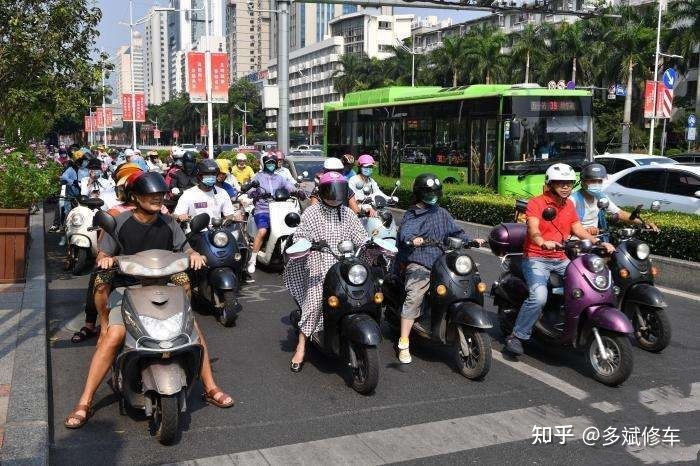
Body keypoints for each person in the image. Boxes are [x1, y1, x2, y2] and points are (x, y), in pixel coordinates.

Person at [64, 172, 234, 429]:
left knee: (194, 332)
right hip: (128, 290)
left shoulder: (169, 223)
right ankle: (85, 401)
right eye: (150, 195)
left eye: (160, 195)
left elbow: (185, 249)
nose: (156, 199)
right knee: (113, 336)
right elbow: (103, 253)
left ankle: (210, 387)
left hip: (163, 286)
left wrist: (194, 254)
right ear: (135, 197)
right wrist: (106, 259)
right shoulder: (118, 222)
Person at [504, 163, 616, 356]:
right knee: (539, 297)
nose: (565, 187)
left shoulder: (569, 204)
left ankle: (572, 322)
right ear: (550, 183)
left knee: (586, 284)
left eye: (569, 183)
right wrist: (542, 242)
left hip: (561, 258)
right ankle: (517, 335)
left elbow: (577, 229)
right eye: (560, 183)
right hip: (536, 258)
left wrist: (598, 242)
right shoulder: (537, 203)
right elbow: (533, 228)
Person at [394, 173, 486, 364]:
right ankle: (404, 341)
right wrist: (413, 239)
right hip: (419, 261)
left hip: (442, 260)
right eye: (429, 192)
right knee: (415, 295)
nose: (432, 196)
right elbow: (405, 233)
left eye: (435, 192)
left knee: (468, 280)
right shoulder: (412, 213)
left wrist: (472, 240)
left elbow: (457, 231)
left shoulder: (441, 212)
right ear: (420, 193)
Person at [284, 172, 369, 372]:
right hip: (318, 264)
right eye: (330, 191)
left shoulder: (347, 213)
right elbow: (300, 236)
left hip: (345, 265)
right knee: (314, 303)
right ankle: (301, 346)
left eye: (338, 191)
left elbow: (360, 235)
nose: (334, 195)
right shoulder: (313, 212)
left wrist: (368, 243)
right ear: (322, 191)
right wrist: (310, 244)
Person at [246, 154, 305, 274]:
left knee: (292, 228)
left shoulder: (280, 178)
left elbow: (289, 187)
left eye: (273, 163)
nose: (271, 165)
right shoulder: (258, 177)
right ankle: (252, 260)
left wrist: (298, 191)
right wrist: (253, 193)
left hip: (279, 209)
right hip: (262, 209)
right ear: (264, 164)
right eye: (269, 163)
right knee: (262, 231)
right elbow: (250, 189)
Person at [570, 163, 658, 238]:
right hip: (575, 241)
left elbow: (619, 213)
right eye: (592, 181)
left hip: (595, 239)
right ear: (582, 182)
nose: (596, 184)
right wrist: (585, 230)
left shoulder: (601, 196)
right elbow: (565, 224)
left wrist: (643, 222)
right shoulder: (573, 199)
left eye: (599, 181)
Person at [174, 159, 241, 227]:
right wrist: (180, 217)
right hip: (195, 233)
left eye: (213, 174)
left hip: (217, 233)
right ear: (199, 176)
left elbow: (229, 215)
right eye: (208, 174)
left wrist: (232, 218)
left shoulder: (222, 193)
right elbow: (176, 215)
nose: (211, 177)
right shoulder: (188, 194)